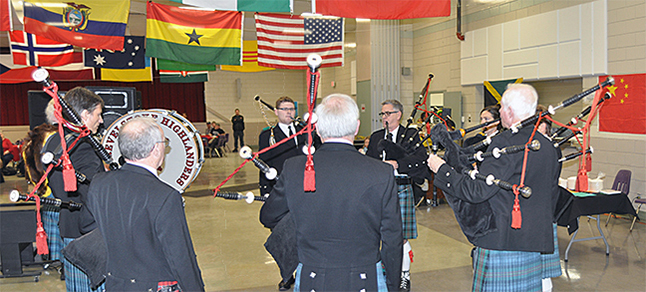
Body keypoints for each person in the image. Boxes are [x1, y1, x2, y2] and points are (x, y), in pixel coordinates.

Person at [260, 93, 403, 291]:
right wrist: (393, 285)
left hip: (312, 274)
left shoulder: (294, 168)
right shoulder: (381, 172)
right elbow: (392, 238)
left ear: (317, 128)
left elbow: (268, 216)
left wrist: (301, 218)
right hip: (366, 275)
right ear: (356, 127)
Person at [427, 84, 561, 292]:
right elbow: (552, 195)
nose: (498, 112)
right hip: (532, 241)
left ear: (509, 111)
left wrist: (443, 169)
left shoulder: (505, 142)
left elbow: (477, 191)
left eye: (501, 108)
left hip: (502, 241)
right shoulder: (548, 146)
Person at [86, 117, 205, 291]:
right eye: (165, 142)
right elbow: (180, 256)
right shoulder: (165, 196)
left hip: (115, 284)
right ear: (156, 148)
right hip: (154, 286)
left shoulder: (99, 183)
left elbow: (86, 225)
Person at [45, 87, 106, 292]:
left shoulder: (54, 140)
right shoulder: (85, 146)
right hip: (90, 233)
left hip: (68, 227)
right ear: (84, 114)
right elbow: (92, 195)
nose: (101, 120)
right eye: (98, 114)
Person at [257, 96, 320, 290]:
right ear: (276, 112)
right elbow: (264, 165)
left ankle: (306, 269)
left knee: (305, 233)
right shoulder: (267, 135)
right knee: (281, 236)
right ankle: (287, 274)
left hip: (306, 191)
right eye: (284, 109)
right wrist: (267, 193)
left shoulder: (305, 133)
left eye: (291, 109)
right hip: (281, 191)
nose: (288, 113)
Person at [365, 99, 429, 291]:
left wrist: (397, 165)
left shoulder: (411, 135)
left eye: (388, 113)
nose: (384, 117)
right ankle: (386, 271)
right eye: (382, 114)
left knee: (400, 236)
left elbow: (420, 159)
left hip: (401, 188)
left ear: (398, 114)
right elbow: (369, 162)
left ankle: (404, 275)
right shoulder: (376, 136)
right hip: (379, 191)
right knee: (380, 235)